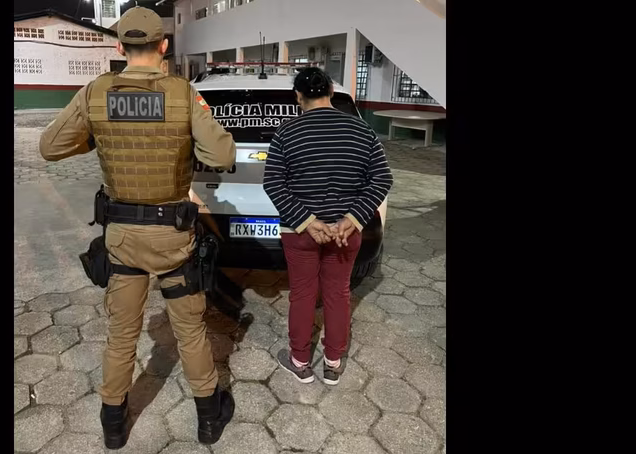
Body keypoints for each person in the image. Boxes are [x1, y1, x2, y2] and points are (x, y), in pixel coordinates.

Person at [38, 7, 237, 449]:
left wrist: (95, 135)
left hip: (122, 240)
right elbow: (223, 156)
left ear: (119, 46)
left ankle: (113, 426)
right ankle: (208, 420)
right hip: (173, 239)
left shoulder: (96, 92)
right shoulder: (182, 93)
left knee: (121, 334)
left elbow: (49, 147)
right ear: (163, 45)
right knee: (190, 331)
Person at [263, 67, 393, 386]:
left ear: (298, 96)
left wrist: (308, 222)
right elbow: (382, 178)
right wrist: (352, 219)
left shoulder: (286, 133)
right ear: (331, 92)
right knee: (338, 292)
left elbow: (273, 183)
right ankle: (333, 362)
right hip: (345, 233)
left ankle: (300, 361)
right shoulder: (362, 131)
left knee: (302, 293)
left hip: (300, 233)